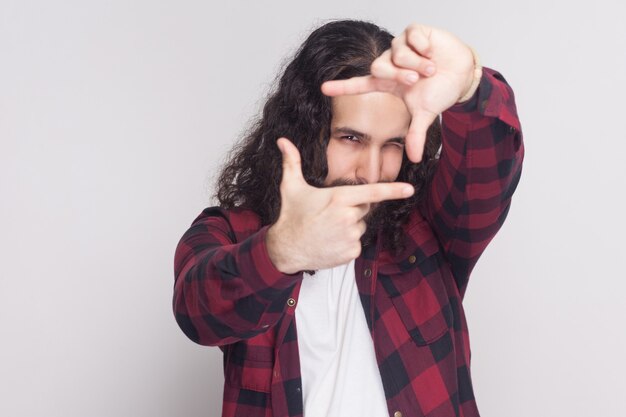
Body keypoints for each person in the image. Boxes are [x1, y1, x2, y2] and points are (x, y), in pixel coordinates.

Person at [173, 19, 524, 417]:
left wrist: (469, 88)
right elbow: (197, 312)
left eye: (391, 144)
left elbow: (489, 171)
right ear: (306, 130)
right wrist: (279, 254)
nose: (370, 172)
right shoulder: (231, 232)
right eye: (351, 139)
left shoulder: (430, 227)